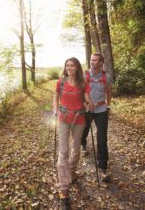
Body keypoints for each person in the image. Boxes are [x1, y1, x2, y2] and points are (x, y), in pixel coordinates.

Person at [53, 57, 93, 209]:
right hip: (63, 118)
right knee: (63, 151)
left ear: (77, 68)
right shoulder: (61, 82)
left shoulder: (83, 83)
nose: (69, 68)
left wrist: (89, 104)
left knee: (76, 149)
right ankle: (64, 189)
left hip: (79, 119)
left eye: (72, 65)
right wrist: (55, 109)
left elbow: (88, 99)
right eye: (67, 65)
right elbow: (56, 96)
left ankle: (70, 172)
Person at [81, 53, 113, 182]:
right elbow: (81, 92)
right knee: (85, 129)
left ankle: (103, 166)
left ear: (101, 63)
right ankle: (83, 143)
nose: (92, 62)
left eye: (95, 60)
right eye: (91, 60)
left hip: (101, 109)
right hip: (87, 109)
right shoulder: (84, 76)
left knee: (102, 138)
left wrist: (108, 105)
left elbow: (109, 91)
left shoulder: (107, 77)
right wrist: (85, 104)